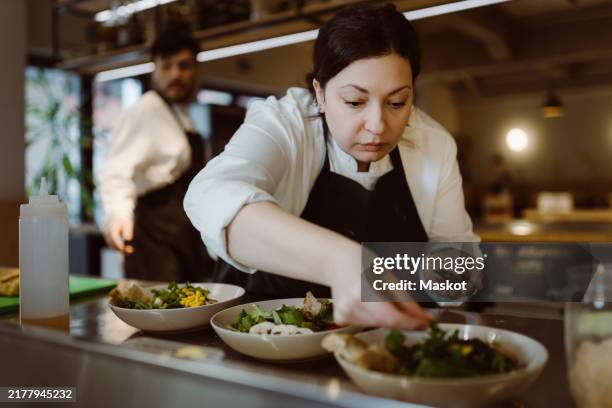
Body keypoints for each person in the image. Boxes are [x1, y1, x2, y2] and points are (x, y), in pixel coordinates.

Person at [184, 4, 478, 330]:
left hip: (381, 342)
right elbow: (211, 195)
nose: (378, 125)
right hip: (267, 337)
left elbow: (458, 262)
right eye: (354, 102)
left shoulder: (434, 144)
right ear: (320, 93)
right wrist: (342, 262)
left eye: (397, 102)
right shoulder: (287, 123)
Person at [100, 28, 212, 282]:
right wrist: (118, 215)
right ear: (154, 69)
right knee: (159, 312)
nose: (176, 74)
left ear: (196, 69)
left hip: (181, 235)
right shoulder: (146, 109)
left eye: (184, 66)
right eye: (167, 66)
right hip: (154, 236)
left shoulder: (178, 115)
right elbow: (116, 171)